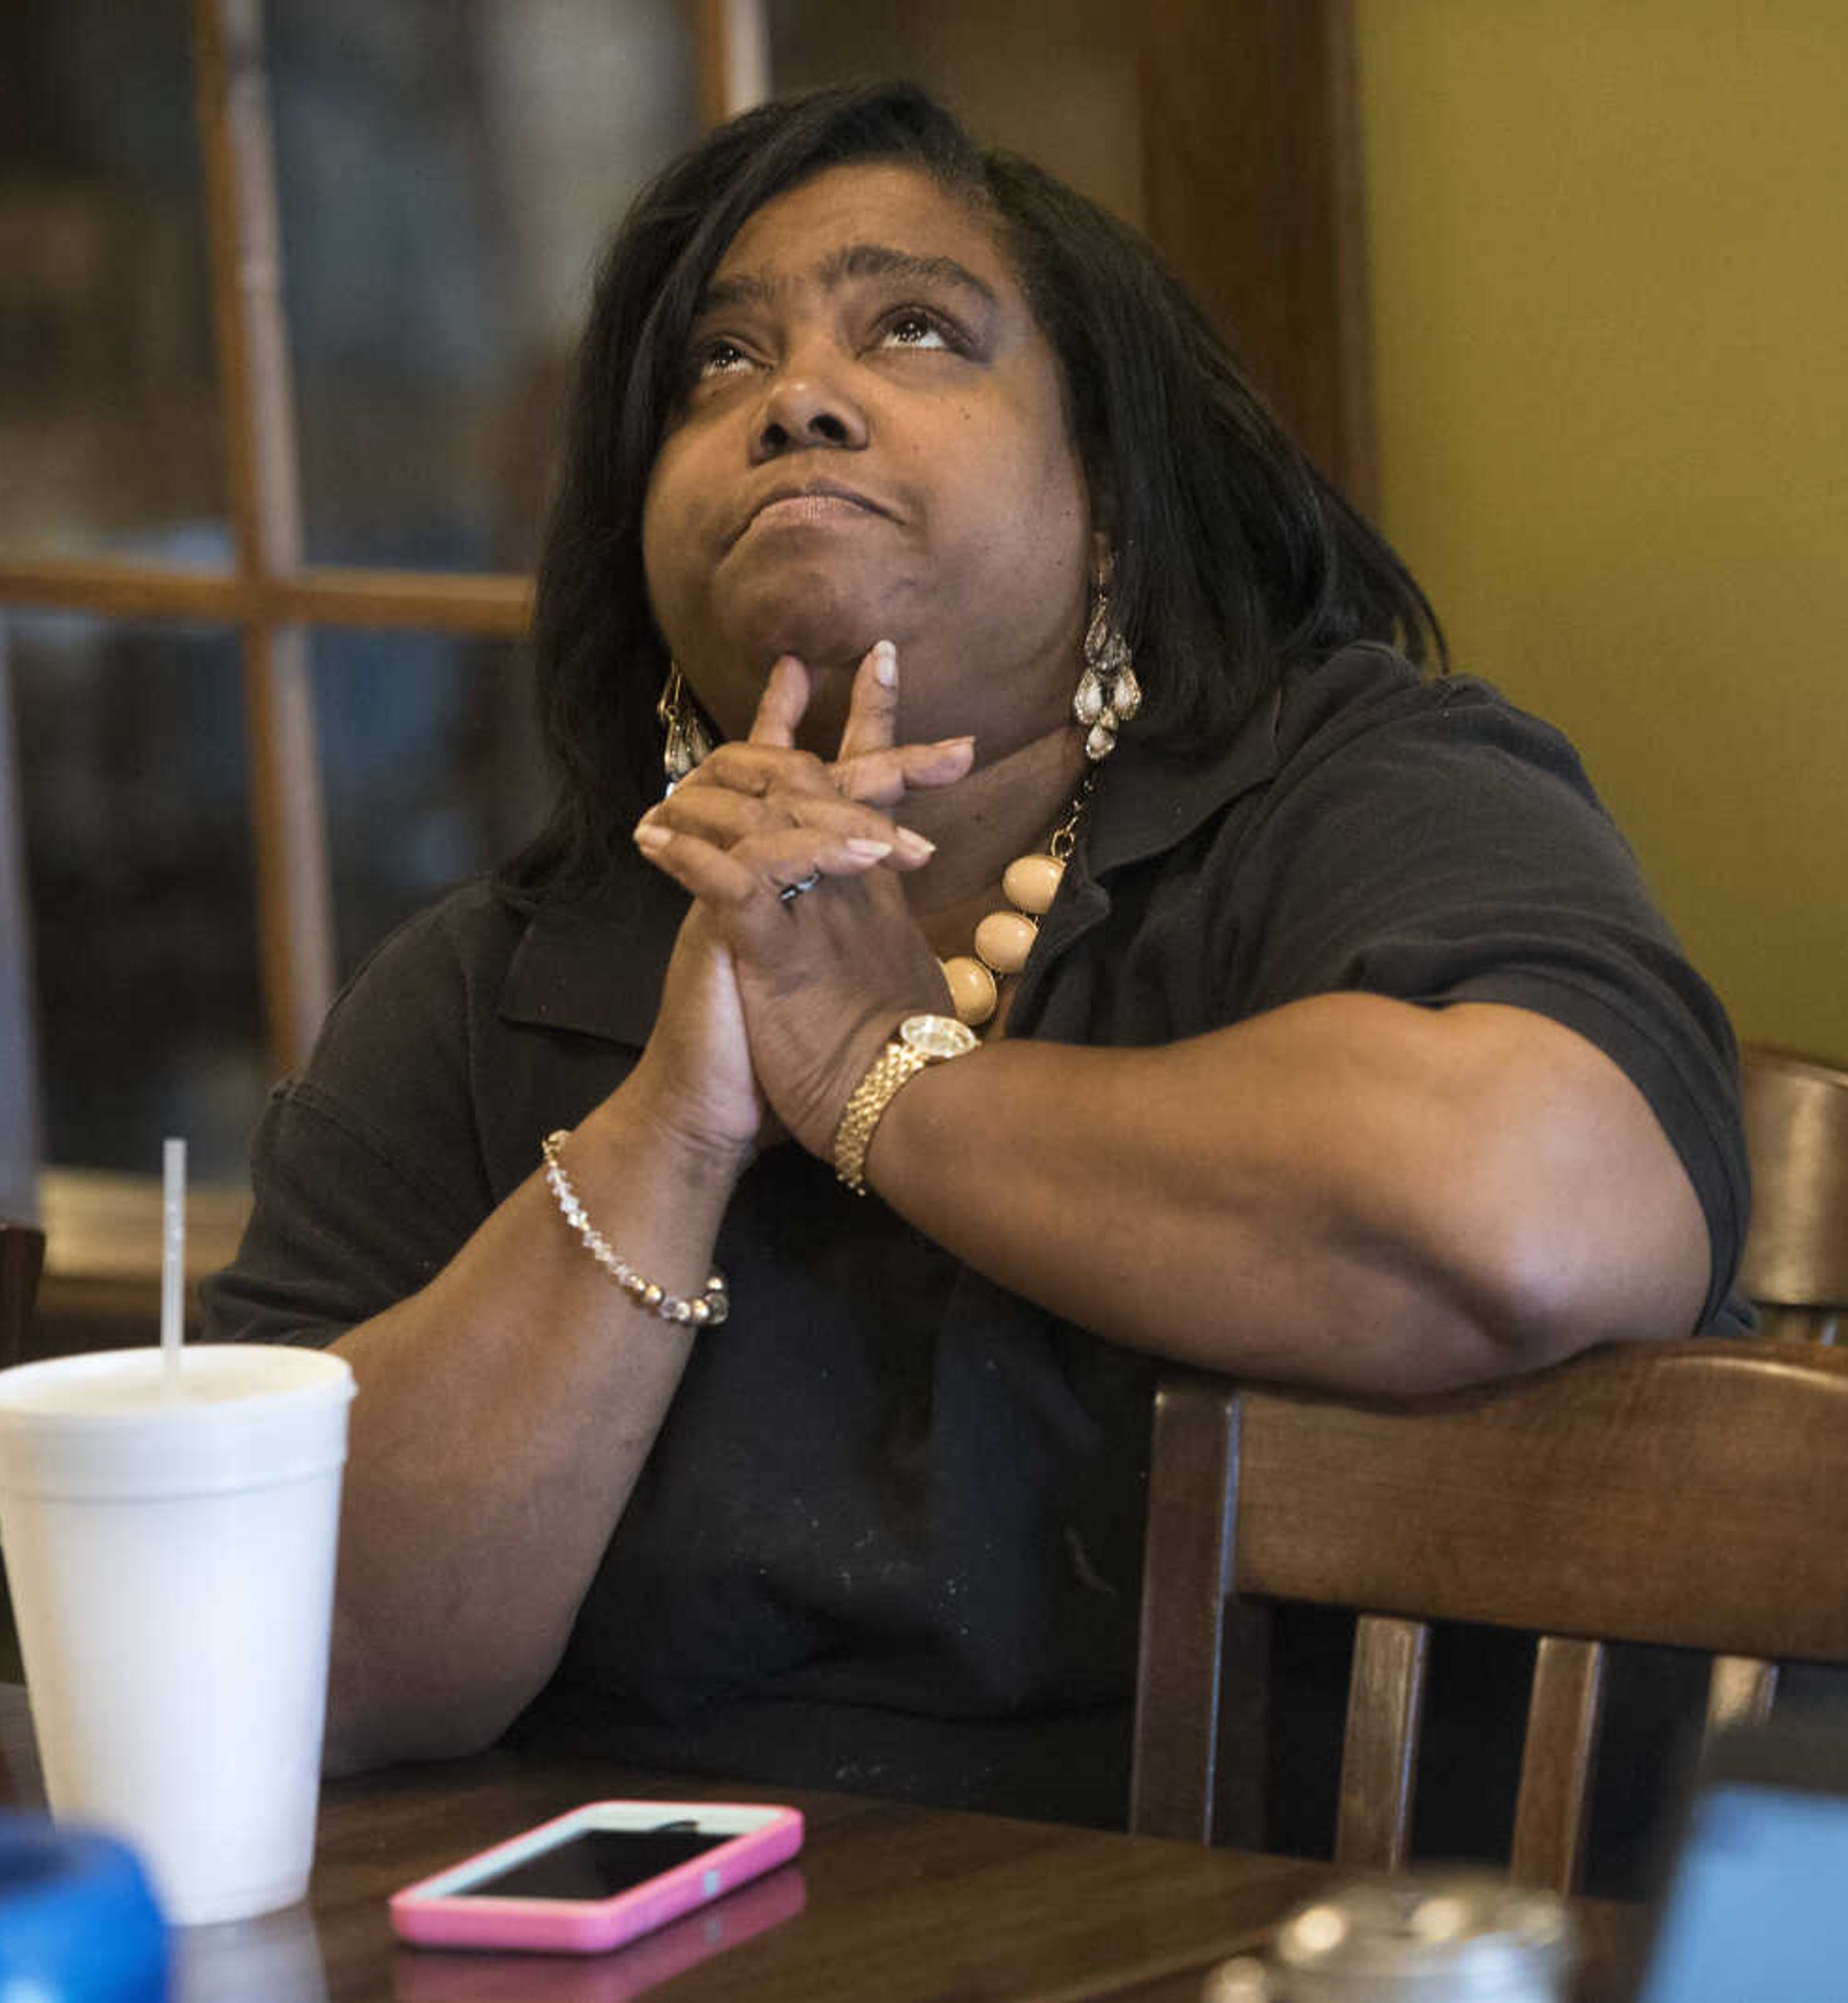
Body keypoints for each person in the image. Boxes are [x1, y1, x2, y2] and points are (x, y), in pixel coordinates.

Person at [203, 80, 1749, 1829]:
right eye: (716, 364)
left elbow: (1524, 1216)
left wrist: (877, 1072)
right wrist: (676, 1132)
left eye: (915, 328)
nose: (795, 398)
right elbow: (284, 1660)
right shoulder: (502, 981)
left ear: (1116, 500)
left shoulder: (1351, 794)